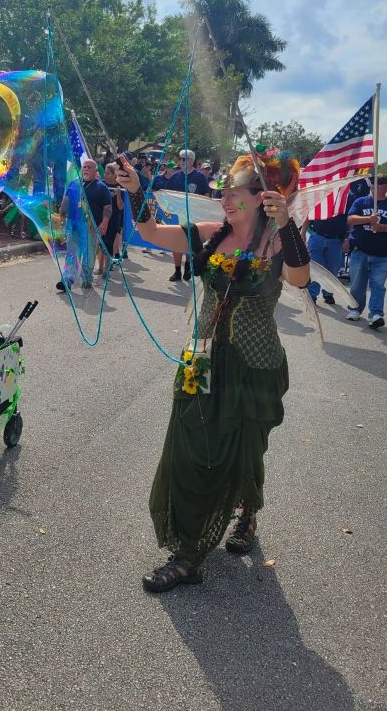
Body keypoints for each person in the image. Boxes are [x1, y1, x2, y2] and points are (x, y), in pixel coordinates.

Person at [116, 152, 310, 593]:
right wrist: (136, 192)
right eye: (222, 189)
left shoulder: (278, 243)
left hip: (254, 365)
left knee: (245, 450)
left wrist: (287, 225)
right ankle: (188, 554)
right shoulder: (209, 233)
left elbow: (300, 279)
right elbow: (150, 232)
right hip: (201, 359)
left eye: (233, 191)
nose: (223, 197)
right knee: (191, 448)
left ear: (260, 198)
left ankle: (247, 514)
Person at [345, 175, 387, 329]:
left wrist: (381, 227)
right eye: (374, 183)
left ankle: (376, 314)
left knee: (378, 285)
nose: (376, 186)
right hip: (360, 250)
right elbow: (351, 219)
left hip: (382, 253)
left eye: (381, 183)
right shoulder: (361, 202)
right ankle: (355, 308)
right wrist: (368, 219)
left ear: (386, 186)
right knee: (357, 284)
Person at [56, 159, 111, 293]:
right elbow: (66, 200)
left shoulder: (101, 187)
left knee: (88, 257)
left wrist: (104, 223)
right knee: (71, 254)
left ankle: (86, 279)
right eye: (84, 167)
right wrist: (62, 216)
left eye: (89, 167)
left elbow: (107, 207)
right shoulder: (74, 184)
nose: (86, 169)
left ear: (95, 171)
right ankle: (67, 281)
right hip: (73, 225)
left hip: (90, 227)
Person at [167, 149, 211, 282]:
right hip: (177, 215)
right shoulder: (175, 176)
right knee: (176, 243)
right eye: (180, 159)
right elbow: (167, 195)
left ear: (192, 161)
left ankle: (187, 268)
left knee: (189, 243)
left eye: (184, 159)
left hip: (194, 216)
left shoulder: (200, 177)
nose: (181, 161)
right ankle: (177, 271)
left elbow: (206, 195)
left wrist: (202, 209)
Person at [307, 211, 346, 305]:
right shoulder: (319, 201)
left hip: (336, 240)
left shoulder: (346, 202)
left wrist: (347, 238)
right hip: (317, 236)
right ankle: (312, 295)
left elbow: (350, 219)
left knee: (332, 269)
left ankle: (328, 293)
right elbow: (308, 215)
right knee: (315, 268)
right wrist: (303, 231)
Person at [97, 162, 124, 274]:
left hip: (114, 219)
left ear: (114, 175)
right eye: (105, 173)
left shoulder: (120, 187)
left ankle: (107, 268)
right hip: (101, 217)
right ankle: (100, 267)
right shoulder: (101, 184)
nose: (105, 175)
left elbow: (120, 207)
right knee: (100, 243)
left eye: (108, 173)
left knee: (109, 243)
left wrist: (118, 194)